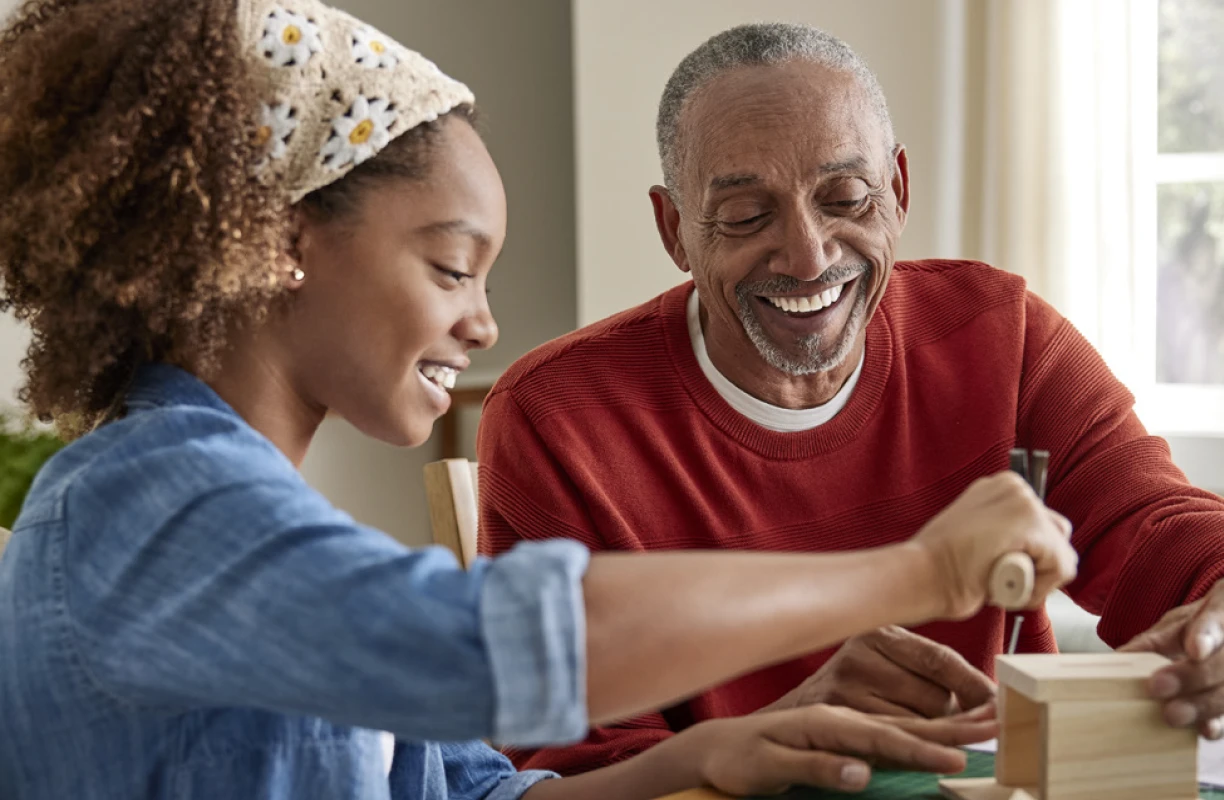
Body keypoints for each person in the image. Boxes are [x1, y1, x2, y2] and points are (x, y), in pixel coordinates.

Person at [0, 2, 1079, 798]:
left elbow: (481, 793)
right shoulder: (145, 503)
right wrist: (920, 569)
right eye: (450, 265)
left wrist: (705, 752)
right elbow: (493, 644)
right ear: (284, 243)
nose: (483, 324)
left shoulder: (256, 517)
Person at [477, 21, 1224, 776]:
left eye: (846, 198)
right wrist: (781, 734)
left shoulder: (1005, 335)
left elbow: (1158, 527)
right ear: (675, 230)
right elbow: (565, 768)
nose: (808, 255)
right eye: (745, 217)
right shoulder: (558, 418)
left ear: (897, 192)